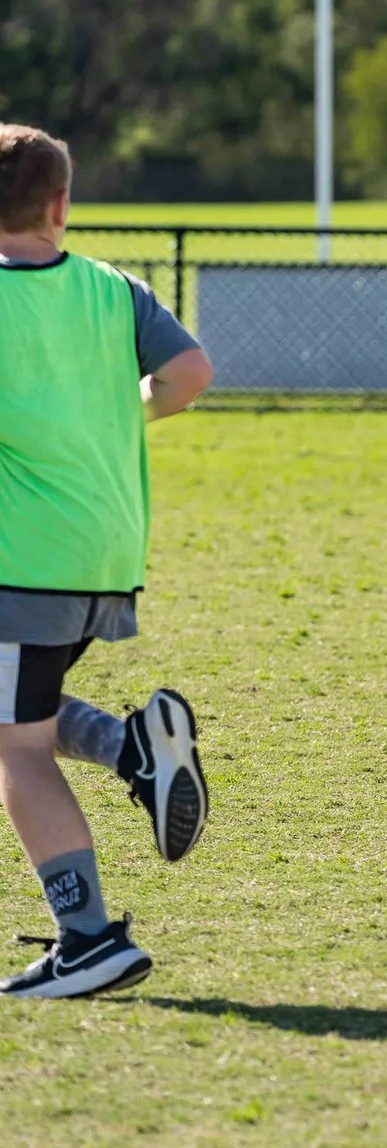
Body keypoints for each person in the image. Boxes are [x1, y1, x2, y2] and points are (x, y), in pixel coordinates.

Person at [0, 125, 215, 999]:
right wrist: (116, 417)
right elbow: (191, 373)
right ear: (61, 205)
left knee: (13, 751)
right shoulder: (113, 289)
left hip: (24, 559)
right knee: (20, 710)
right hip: (105, 548)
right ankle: (132, 748)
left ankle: (87, 940)